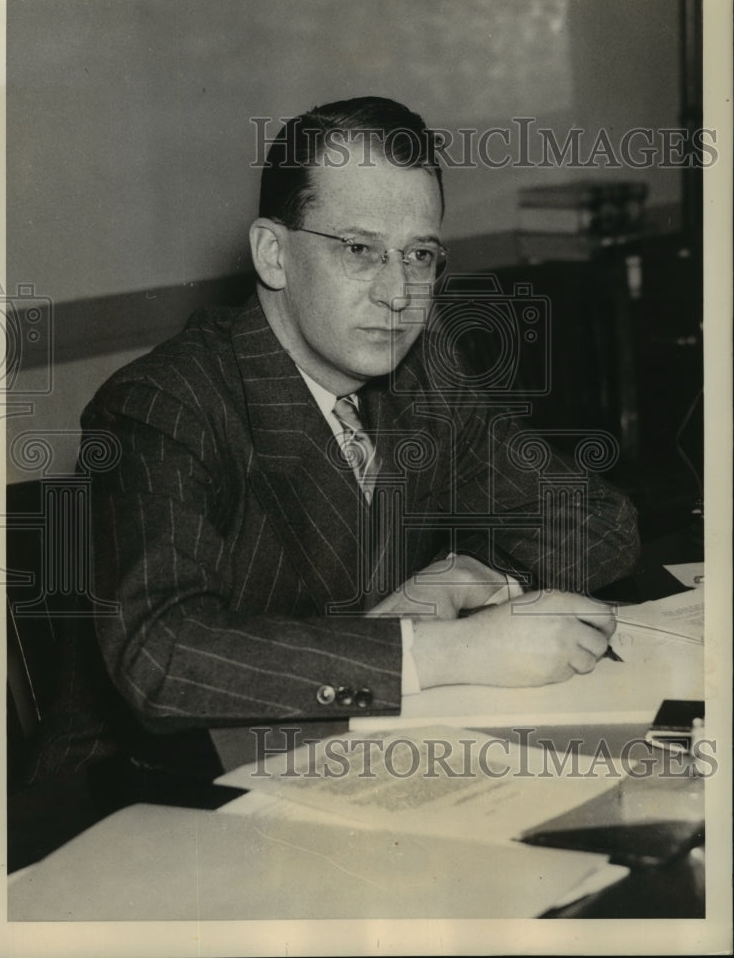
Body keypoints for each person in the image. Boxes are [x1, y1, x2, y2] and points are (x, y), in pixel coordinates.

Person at [77, 96, 639, 777]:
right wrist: (442, 651)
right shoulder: (166, 403)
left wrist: (472, 574)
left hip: (356, 761)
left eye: (420, 255)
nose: (399, 294)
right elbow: (162, 657)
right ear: (274, 253)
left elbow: (596, 517)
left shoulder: (423, 372)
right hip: (152, 794)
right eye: (360, 250)